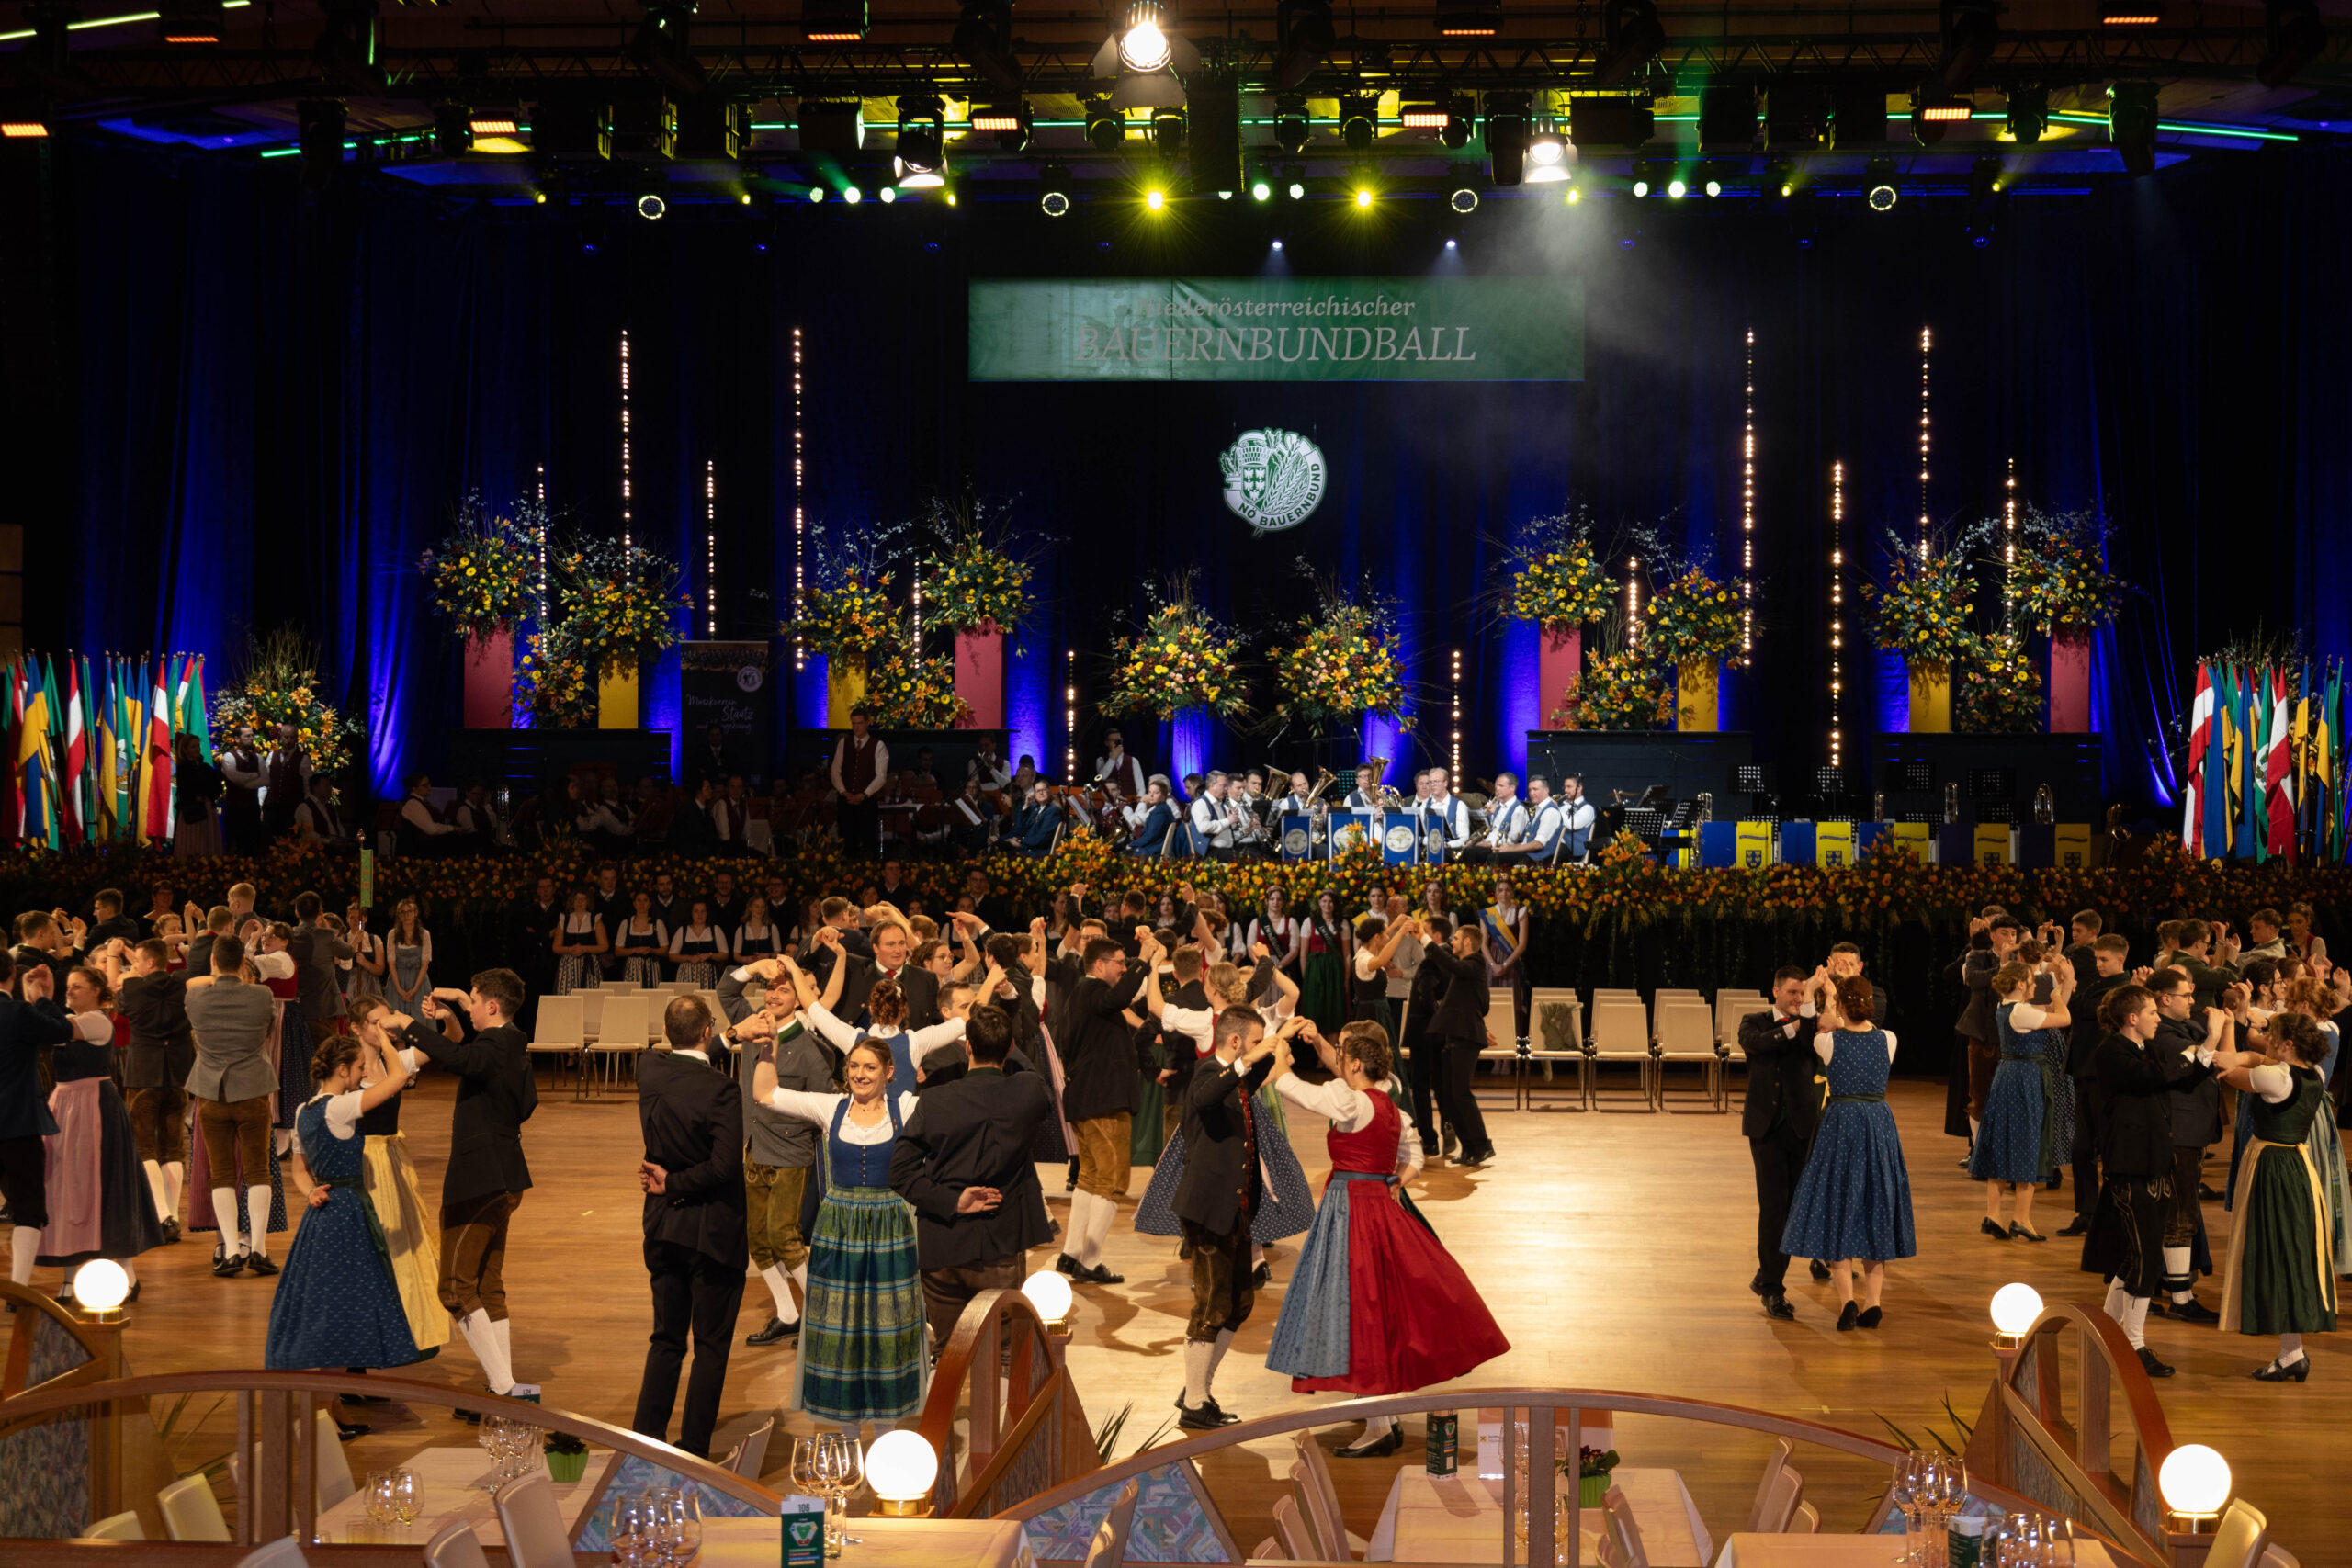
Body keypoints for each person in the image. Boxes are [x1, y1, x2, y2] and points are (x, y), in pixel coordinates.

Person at [1264, 1020, 1508, 1450]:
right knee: (1373, 1310)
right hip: (1376, 1208)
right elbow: (1412, 1155)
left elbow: (1296, 1089)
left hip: (1351, 1212)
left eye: (1343, 1058)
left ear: (1356, 1064)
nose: (1338, 1065)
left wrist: (1279, 1054)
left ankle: (1379, 1426)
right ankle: (1384, 1416)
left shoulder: (1351, 1102)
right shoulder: (1392, 1106)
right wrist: (1396, 1181)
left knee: (1360, 1312)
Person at [751, 1036, 926, 1427]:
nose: (860, 1074)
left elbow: (956, 1114)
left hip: (889, 1230)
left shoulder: (906, 1107)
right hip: (838, 1230)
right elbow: (765, 1093)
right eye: (854, 1066)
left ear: (889, 1072)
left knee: (888, 1326)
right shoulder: (831, 1106)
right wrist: (768, 1046)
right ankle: (844, 1429)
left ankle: (886, 1429)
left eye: (870, 1067)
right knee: (838, 1325)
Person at [400, 970, 539, 1406]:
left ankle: (504, 1393)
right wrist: (460, 1002)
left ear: (492, 1007)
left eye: (476, 1002)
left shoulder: (496, 1046)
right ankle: (504, 1386)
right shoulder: (513, 1045)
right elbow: (524, 1102)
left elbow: (460, 1059)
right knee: (487, 1286)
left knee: (455, 1288)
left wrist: (407, 1025)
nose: (472, 1008)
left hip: (479, 1181)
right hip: (505, 1178)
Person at [888, 1002, 1057, 1348]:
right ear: (1010, 1047)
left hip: (941, 1245)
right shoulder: (1028, 1092)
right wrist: (1009, 1044)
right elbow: (1034, 1075)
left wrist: (953, 1201)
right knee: (1003, 1353)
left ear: (967, 1047)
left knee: (950, 1355)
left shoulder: (933, 1101)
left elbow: (899, 1171)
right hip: (998, 1244)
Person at [628, 996, 746, 1457]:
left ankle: (645, 1443)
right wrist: (674, 1182)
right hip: (710, 1232)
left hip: (662, 1228)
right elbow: (724, 1167)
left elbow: (686, 1057)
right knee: (711, 1346)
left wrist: (727, 1037)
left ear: (666, 1032)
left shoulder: (648, 1069)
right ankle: (694, 1450)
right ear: (707, 1031)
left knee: (666, 1339)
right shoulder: (722, 1090)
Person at [2080, 983, 2214, 1378]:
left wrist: (2208, 1046)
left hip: (2154, 1165)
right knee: (2147, 1257)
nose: (2158, 1018)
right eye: (2152, 1012)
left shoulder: (2145, 1048)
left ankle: (2106, 1333)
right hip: (2129, 1167)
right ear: (2132, 1018)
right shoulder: (2111, 1052)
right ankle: (2133, 1344)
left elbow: (2183, 1078)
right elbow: (2156, 1076)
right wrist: (2202, 1045)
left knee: (2137, 1254)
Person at [718, 954, 845, 1347]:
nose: (773, 995)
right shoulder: (753, 1023)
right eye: (771, 988)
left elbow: (827, 1106)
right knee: (757, 1239)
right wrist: (757, 967)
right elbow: (727, 989)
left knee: (783, 1236)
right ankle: (788, 1315)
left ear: (799, 999)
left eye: (784, 990)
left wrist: (799, 1133)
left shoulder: (811, 1049)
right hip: (753, 1148)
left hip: (790, 1154)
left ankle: (824, 1317)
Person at [1779, 974, 1915, 1331]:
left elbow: (1817, 1025)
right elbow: (1848, 1026)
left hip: (1841, 1124)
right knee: (1875, 1205)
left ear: (1841, 1007)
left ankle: (1847, 1302)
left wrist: (1824, 994)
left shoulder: (1828, 1042)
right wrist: (1837, 1000)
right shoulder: (1888, 1039)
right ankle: (1874, 1303)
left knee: (1837, 1207)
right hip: (1877, 1125)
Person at [1172, 1007, 1285, 1428]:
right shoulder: (1207, 1074)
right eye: (1253, 1042)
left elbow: (1256, 1073)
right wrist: (1247, 1060)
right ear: (1236, 1042)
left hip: (1233, 1211)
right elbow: (1205, 1096)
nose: (1256, 1051)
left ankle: (1197, 1388)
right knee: (1211, 1306)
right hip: (1207, 1211)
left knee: (1239, 1303)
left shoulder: (1236, 1080)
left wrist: (1282, 1037)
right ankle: (1195, 1403)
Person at [2216, 1009, 2340, 1379]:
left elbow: (2229, 1072)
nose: (2266, 1041)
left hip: (2272, 1168)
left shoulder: (2277, 1077)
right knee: (2286, 1252)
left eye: (2272, 1037)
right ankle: (2292, 1353)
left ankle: (2292, 1353)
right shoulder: (2312, 1073)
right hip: (2297, 1166)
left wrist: (2228, 1028)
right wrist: (2246, 1055)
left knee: (2274, 1253)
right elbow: (2260, 1060)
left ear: (2288, 1044)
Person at [36, 965, 164, 1295]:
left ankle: (128, 1276)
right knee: (66, 1189)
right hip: (64, 1105)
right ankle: (69, 1278)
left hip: (94, 1106)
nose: (70, 991)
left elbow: (57, 1028)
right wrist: (43, 996)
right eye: (68, 987)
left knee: (108, 1185)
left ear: (97, 991)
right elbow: (45, 1027)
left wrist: (42, 998)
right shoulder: (69, 1018)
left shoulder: (97, 1020)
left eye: (77, 986)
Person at [344, 997, 451, 1359]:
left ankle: (407, 1331)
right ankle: (365, 1341)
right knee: (373, 1247)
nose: (385, 1027)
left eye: (388, 1020)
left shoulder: (397, 1060)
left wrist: (447, 1018)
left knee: (405, 1245)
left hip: (393, 1159)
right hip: (364, 1164)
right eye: (376, 1022)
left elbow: (450, 1042)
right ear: (356, 1028)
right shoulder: (348, 1072)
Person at [1046, 934, 1149, 1284]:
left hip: (1087, 1100)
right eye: (1120, 963)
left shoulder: (1084, 996)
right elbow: (1120, 997)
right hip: (1102, 1101)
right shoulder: (1092, 990)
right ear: (1100, 964)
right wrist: (1145, 959)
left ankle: (1072, 1253)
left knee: (1090, 1178)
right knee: (1112, 1180)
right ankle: (1090, 1260)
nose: (1124, 969)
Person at [183, 934, 283, 1280]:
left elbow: (194, 988)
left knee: (221, 1174)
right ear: (243, 963)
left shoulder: (195, 997)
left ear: (213, 962)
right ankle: (259, 1250)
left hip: (211, 1093)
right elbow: (268, 1030)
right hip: (253, 1089)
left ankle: (229, 1251)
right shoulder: (261, 995)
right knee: (258, 1172)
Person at [1971, 957, 2075, 1241]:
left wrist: (2065, 985)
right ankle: (2021, 1219)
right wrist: (2057, 994)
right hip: (2025, 1079)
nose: (2035, 986)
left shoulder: (2007, 1007)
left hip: (2008, 1076)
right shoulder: (2022, 1012)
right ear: (2020, 984)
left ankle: (1993, 1215)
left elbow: (2052, 1010)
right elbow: (2064, 1017)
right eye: (2031, 981)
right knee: (2028, 1142)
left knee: (2002, 1141)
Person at [1738, 967, 1821, 1321]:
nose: (1798, 999)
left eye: (1803, 993)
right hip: (1766, 1129)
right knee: (1773, 1208)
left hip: (1801, 1128)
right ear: (1775, 991)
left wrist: (1805, 1022)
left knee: (1792, 1210)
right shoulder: (1753, 1021)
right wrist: (1794, 1026)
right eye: (1792, 993)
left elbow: (1810, 1045)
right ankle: (1773, 1289)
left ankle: (1766, 1276)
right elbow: (1757, 1044)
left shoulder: (1809, 1025)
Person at [2151, 966, 2228, 1323]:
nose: (2192, 1001)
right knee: (2180, 1214)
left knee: (2184, 1212)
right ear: (2166, 999)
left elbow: (2214, 1058)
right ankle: (2180, 1299)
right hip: (2177, 1132)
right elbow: (2192, 1068)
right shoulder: (2162, 1033)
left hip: (2191, 1131)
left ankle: (2173, 1288)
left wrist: (2229, 1023)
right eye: (2186, 995)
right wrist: (2213, 1037)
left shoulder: (2187, 1026)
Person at [106, 938, 193, 1243]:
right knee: (173, 1146)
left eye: (138, 961)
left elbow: (111, 988)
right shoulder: (182, 982)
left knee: (145, 1147)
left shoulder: (133, 988)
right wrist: (134, 958)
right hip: (178, 1074)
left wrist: (113, 956)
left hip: (144, 1074)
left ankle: (163, 1215)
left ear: (150, 963)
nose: (135, 966)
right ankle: (174, 1216)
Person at [1413, 915, 1498, 1166]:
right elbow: (1477, 1004)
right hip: (1455, 1036)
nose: (1452, 942)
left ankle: (1482, 1145)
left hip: (1466, 1037)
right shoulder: (1465, 971)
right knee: (1449, 1095)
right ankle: (1469, 1148)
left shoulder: (1474, 964)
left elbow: (1449, 964)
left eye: (1457, 938)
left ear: (1468, 942)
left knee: (1460, 1092)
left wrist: (1424, 939)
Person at [831, 707, 889, 858]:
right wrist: (844, 792)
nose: (856, 727)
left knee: (868, 845)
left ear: (867, 723)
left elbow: (881, 776)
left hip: (867, 804)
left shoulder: (878, 745)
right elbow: (835, 771)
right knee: (847, 844)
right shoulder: (844, 743)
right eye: (854, 724)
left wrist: (864, 794)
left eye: (860, 723)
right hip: (846, 802)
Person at [1300, 891, 1351, 1038]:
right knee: (1315, 1010)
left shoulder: (1343, 923)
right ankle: (1317, 1048)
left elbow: (1347, 954)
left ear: (1335, 905)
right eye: (1324, 901)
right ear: (1319, 903)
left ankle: (1332, 1048)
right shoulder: (1309, 922)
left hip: (1334, 971)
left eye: (1330, 902)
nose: (1327, 905)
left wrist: (1347, 978)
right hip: (1314, 970)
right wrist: (1306, 976)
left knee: (1334, 1010)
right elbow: (1303, 952)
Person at [551, 889, 608, 996]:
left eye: (583, 899)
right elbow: (555, 947)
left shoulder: (595, 920)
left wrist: (585, 949)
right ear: (572, 902)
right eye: (577, 899)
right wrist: (570, 949)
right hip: (568, 966)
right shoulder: (564, 920)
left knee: (591, 997)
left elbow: (604, 946)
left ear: (588, 902)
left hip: (589, 965)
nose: (579, 902)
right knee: (568, 997)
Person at [612, 893, 670, 988]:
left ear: (650, 904)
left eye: (645, 900)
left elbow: (665, 950)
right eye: (639, 900)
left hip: (652, 968)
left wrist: (651, 950)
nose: (642, 904)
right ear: (634, 904)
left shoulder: (658, 923)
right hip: (631, 969)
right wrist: (634, 950)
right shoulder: (626, 924)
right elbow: (618, 951)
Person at [668, 900, 729, 990]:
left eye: (703, 911)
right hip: (686, 975)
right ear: (691, 913)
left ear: (707, 913)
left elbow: (725, 954)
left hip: (708, 975)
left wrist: (709, 955)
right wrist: (689, 958)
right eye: (696, 911)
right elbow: (672, 956)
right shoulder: (683, 931)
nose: (700, 915)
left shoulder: (715, 930)